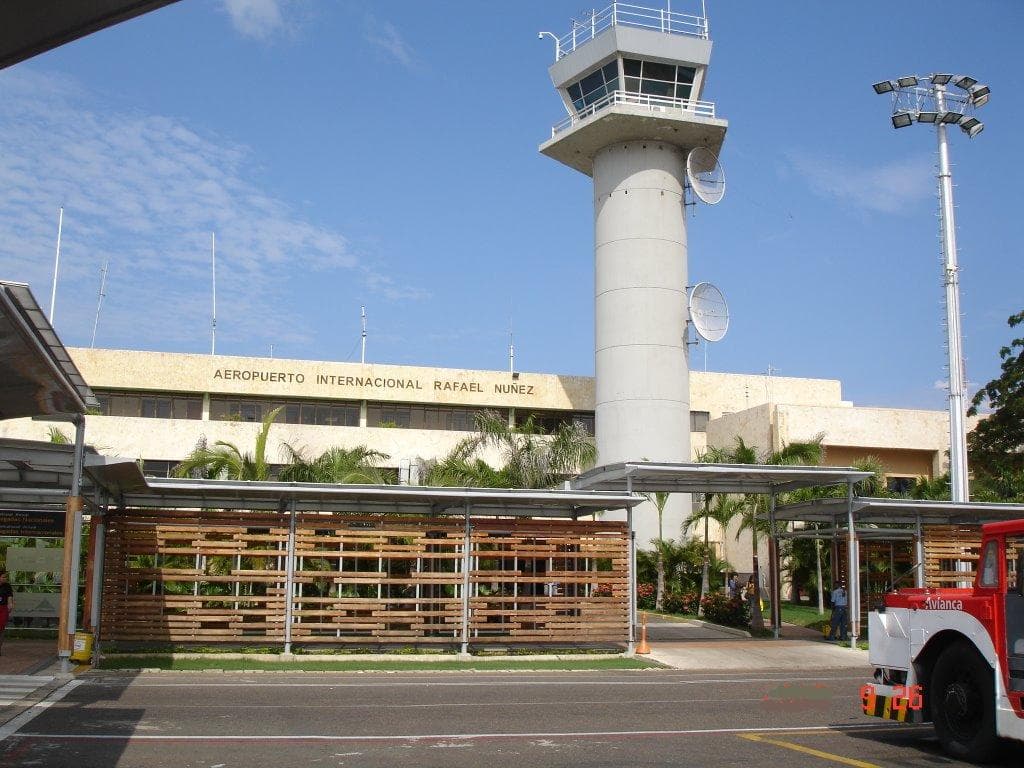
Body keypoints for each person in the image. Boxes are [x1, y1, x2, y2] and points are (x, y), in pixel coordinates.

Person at [0, 571, 14, 654]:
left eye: (6, 577)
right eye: (3, 577)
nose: (5, 578)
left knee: (1, 627)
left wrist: (10, 604)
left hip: (3, 608)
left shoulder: (7, 586)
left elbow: (9, 596)